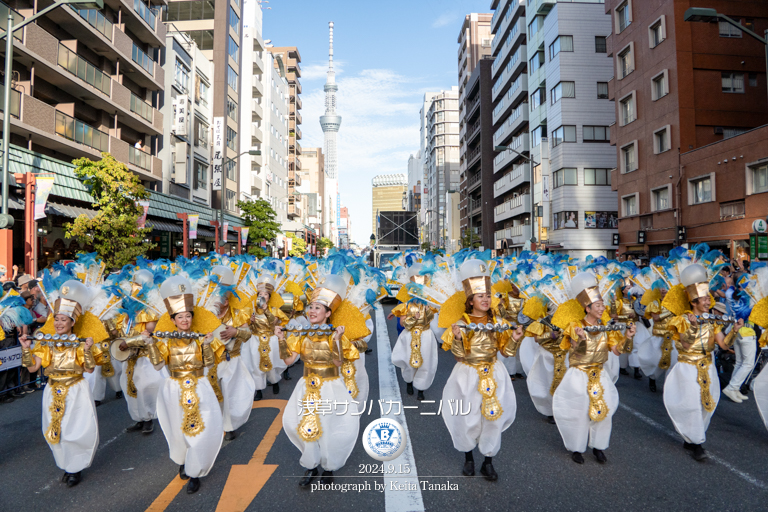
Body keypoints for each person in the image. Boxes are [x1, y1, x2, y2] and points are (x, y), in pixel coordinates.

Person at [442, 259, 524, 481]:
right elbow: (459, 356)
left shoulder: (497, 321)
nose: (486, 299)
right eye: (480, 296)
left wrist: (515, 339)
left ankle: (488, 461)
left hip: (494, 372)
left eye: (488, 295)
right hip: (467, 374)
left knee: (493, 417)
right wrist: (458, 337)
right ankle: (468, 458)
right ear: (470, 301)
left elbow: (505, 352)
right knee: (467, 417)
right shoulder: (462, 322)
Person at [19, 280, 104, 487]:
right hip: (52, 389)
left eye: (63, 319)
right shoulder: (46, 343)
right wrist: (26, 349)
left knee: (75, 429)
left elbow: (90, 369)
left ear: (72, 322)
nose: (58, 323)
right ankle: (67, 464)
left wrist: (86, 350)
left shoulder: (79, 343)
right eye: (56, 319)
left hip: (76, 389)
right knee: (55, 429)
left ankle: (75, 468)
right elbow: (32, 368)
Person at [280, 273, 362, 487]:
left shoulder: (336, 335)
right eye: (311, 307)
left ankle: (329, 467)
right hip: (306, 386)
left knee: (329, 427)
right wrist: (281, 340)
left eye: (318, 308)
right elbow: (289, 360)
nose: (312, 311)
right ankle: (311, 465)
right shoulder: (300, 334)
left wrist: (335, 340)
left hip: (331, 387)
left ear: (328, 313)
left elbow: (337, 364)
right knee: (300, 424)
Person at [147, 275, 225, 494]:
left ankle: (195, 470)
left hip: (199, 385)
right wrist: (151, 344)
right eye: (180, 317)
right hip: (173, 388)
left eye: (188, 316)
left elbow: (209, 363)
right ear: (173, 320)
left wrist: (209, 344)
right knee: (178, 427)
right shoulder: (165, 341)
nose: (184, 320)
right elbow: (158, 365)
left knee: (200, 427)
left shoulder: (201, 338)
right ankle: (183, 459)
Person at [553, 272, 636, 465]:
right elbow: (576, 351)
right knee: (579, 411)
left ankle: (599, 446)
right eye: (598, 305)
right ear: (587, 308)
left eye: (602, 305)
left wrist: (628, 337)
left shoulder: (606, 328)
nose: (602, 308)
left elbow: (616, 350)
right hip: (579, 373)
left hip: (599, 373)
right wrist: (581, 338)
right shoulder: (575, 326)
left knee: (604, 410)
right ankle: (576, 447)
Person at [664, 264, 740, 461]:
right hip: (688, 367)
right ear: (695, 301)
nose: (709, 301)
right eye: (705, 298)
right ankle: (697, 443)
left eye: (708, 298)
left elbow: (723, 345)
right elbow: (686, 345)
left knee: (707, 405)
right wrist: (693, 327)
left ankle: (692, 437)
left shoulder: (713, 320)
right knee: (692, 404)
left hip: (709, 366)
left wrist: (734, 331)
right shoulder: (682, 320)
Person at [391, 262, 440, 400]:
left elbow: (432, 318)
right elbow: (402, 323)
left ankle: (421, 389)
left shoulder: (430, 304)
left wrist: (428, 311)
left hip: (426, 335)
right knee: (408, 361)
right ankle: (409, 382)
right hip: (409, 335)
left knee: (426, 362)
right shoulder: (406, 305)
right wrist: (413, 318)